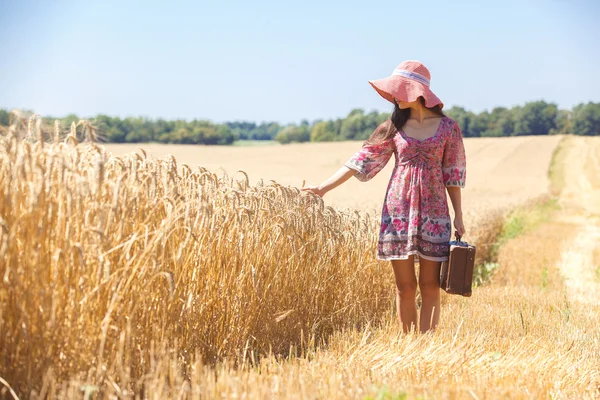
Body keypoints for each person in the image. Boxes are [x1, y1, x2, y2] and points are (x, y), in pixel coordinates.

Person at [302, 60, 466, 333]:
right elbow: (359, 161)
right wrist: (322, 188)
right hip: (397, 212)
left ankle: (427, 346)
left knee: (429, 285)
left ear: (416, 92)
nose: (393, 97)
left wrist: (459, 214)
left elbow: (453, 173)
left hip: (436, 212)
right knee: (405, 286)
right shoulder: (391, 127)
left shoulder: (449, 128)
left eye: (398, 91)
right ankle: (409, 344)